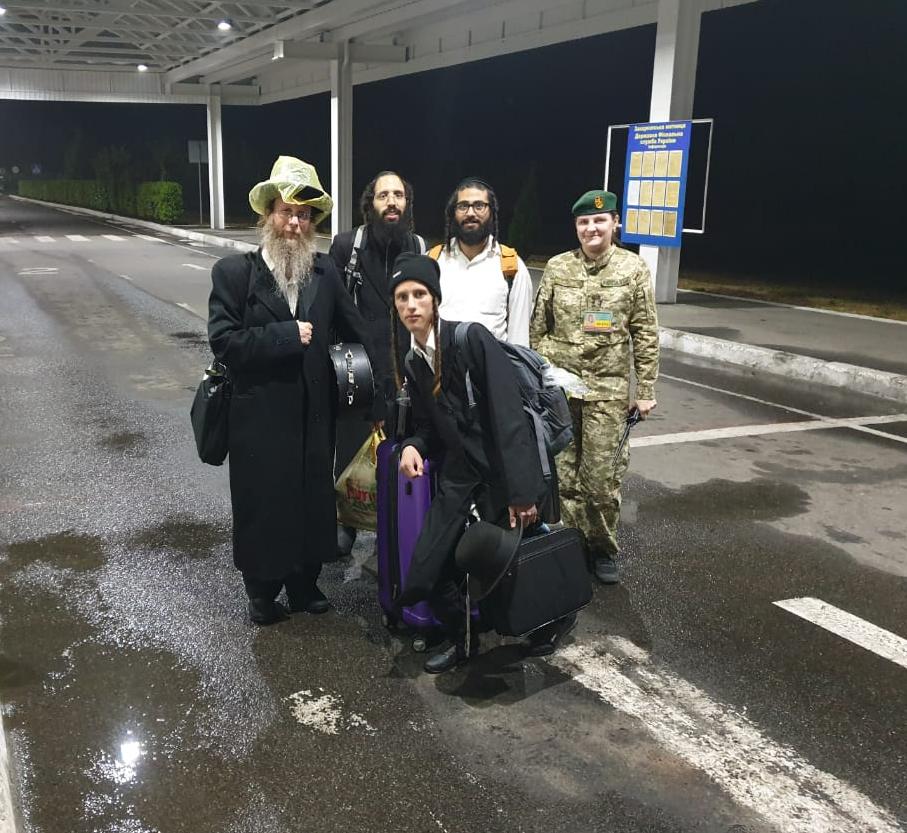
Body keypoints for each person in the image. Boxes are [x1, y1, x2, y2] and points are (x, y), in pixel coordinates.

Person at [207, 155, 378, 626]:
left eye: (304, 215)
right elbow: (224, 342)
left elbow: (357, 329)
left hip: (313, 417)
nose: (295, 223)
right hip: (258, 419)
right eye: (286, 212)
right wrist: (286, 336)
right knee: (264, 504)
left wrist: (382, 378)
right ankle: (262, 592)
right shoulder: (234, 274)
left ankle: (304, 584)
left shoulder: (324, 272)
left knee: (310, 499)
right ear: (269, 214)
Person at [390, 253, 546, 673]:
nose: (411, 305)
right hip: (459, 476)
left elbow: (508, 416)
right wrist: (413, 446)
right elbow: (428, 426)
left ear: (435, 299)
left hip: (499, 472)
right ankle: (462, 639)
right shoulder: (413, 361)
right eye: (402, 297)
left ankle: (548, 620)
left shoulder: (470, 339)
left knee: (515, 561)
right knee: (431, 563)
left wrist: (521, 492)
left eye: (419, 295)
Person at [530, 190, 658, 585]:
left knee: (601, 480)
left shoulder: (633, 269)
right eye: (584, 222)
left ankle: (602, 547)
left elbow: (645, 332)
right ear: (576, 227)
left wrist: (646, 389)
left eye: (599, 221)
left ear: (615, 223)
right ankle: (573, 545)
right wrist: (540, 378)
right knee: (565, 477)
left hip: (608, 391)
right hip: (563, 392)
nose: (591, 229)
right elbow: (538, 327)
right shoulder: (558, 267)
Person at [329, 171, 426, 559]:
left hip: (403, 369)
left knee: (401, 450)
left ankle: (397, 522)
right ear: (370, 203)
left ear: (407, 204)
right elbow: (333, 309)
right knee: (351, 451)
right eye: (383, 195)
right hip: (357, 370)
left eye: (398, 195)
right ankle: (346, 521)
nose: (391, 202)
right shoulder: (347, 246)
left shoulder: (417, 246)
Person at [430, 177, 533, 346]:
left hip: (492, 362)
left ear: (492, 212)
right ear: (453, 212)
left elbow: (519, 340)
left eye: (479, 206)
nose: (470, 213)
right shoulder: (433, 260)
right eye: (463, 206)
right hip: (440, 361)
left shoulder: (511, 266)